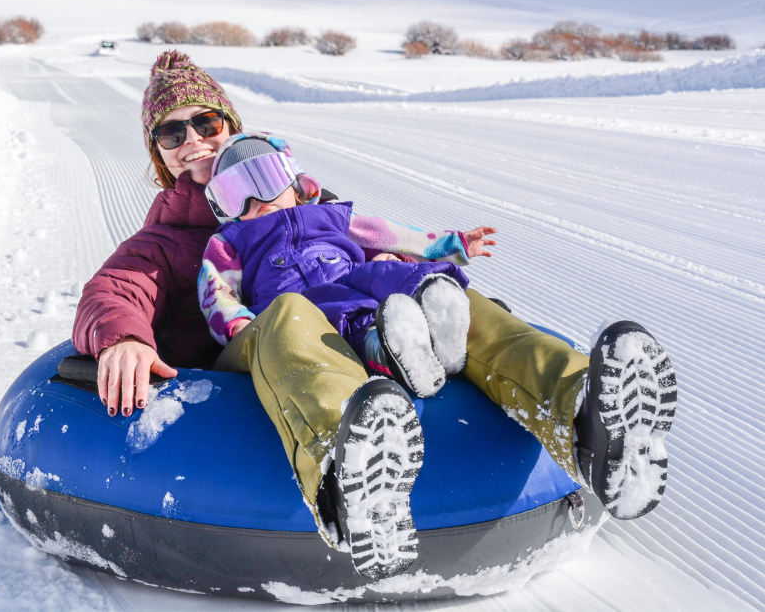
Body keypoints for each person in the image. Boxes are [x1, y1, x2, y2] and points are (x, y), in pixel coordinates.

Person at [72, 50, 677, 581]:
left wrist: (401, 265)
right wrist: (120, 337)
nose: (192, 142)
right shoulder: (169, 241)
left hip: (363, 333)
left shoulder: (310, 203)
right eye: (171, 135)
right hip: (256, 361)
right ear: (159, 157)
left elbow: (380, 240)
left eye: (204, 123)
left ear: (232, 127)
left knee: (447, 296)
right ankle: (350, 474)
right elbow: (114, 289)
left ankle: (588, 419)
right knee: (287, 311)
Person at [198, 131, 498, 399]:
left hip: (351, 278)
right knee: (346, 315)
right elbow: (215, 287)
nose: (256, 199)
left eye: (266, 180)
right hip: (298, 310)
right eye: (236, 195)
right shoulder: (232, 239)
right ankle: (391, 350)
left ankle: (438, 304)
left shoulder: (329, 215)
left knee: (381, 270)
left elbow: (390, 235)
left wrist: (453, 245)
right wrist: (235, 321)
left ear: (296, 183)